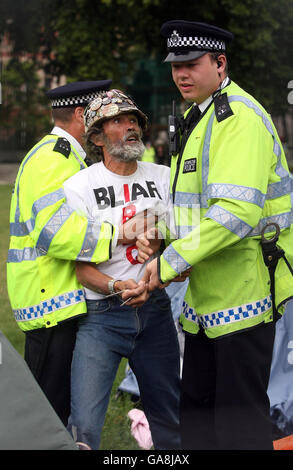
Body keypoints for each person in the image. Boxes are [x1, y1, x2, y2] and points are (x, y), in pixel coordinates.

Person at [141, 20, 293, 450]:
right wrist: (159, 236)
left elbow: (236, 213)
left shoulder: (238, 117)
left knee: (238, 427)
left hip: (245, 295)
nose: (181, 74)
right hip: (207, 299)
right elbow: (192, 207)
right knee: (199, 420)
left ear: (220, 63)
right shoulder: (198, 115)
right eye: (175, 66)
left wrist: (170, 262)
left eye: (191, 64)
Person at [6, 79, 138, 427]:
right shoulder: (53, 159)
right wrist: (118, 234)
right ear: (81, 114)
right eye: (96, 113)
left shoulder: (63, 157)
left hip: (59, 299)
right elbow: (55, 231)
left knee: (59, 409)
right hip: (52, 301)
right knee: (48, 413)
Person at [63, 88, 183, 450]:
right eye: (118, 121)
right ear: (97, 137)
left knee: (170, 417)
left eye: (133, 120)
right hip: (101, 316)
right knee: (83, 424)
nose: (130, 127)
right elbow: (81, 270)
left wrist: (158, 240)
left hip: (156, 311)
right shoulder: (78, 186)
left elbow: (182, 240)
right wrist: (118, 286)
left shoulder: (163, 176)